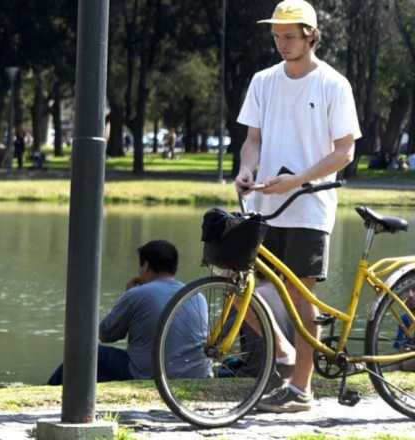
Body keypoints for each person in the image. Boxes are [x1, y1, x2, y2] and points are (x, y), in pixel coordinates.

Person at [235, 0, 361, 413]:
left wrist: (298, 180)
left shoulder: (332, 84)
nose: (281, 43)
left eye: (289, 36)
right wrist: (246, 169)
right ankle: (286, 351)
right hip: (263, 203)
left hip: (308, 206)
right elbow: (252, 140)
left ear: (310, 35)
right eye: (276, 36)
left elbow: (344, 152)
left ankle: (300, 388)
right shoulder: (263, 81)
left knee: (300, 293)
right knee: (234, 284)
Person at [47, 240, 208, 384]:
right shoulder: (197, 295)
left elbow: (105, 334)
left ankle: (51, 389)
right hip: (195, 374)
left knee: (90, 352)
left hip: (150, 374)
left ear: (145, 265)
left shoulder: (137, 294)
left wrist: (127, 295)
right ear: (175, 267)